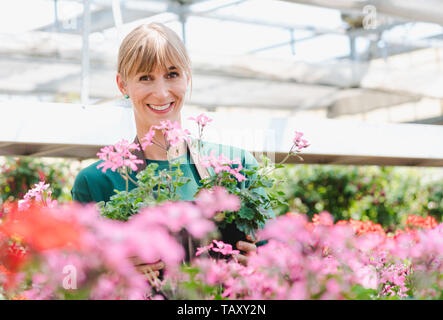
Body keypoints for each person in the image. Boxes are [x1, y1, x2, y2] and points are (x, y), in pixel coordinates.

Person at [71, 23, 261, 276]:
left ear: (187, 77)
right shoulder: (95, 181)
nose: (161, 93)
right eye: (145, 77)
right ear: (122, 85)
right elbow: (73, 279)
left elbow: (281, 268)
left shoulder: (237, 165)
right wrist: (112, 271)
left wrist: (259, 263)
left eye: (172, 74)